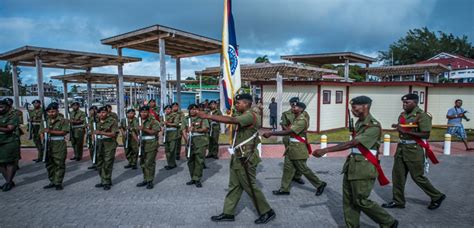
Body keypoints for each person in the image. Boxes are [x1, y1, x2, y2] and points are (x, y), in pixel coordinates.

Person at [313, 96, 398, 228]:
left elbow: (354, 143)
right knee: (348, 200)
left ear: (365, 106)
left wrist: (326, 150)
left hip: (364, 167)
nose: (352, 110)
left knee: (361, 200)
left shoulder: (374, 126)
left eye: (354, 107)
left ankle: (388, 221)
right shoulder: (359, 123)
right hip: (352, 165)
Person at [197, 93, 275, 224]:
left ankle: (267, 211)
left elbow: (233, 120)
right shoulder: (244, 114)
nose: (237, 105)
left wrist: (208, 116)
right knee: (234, 186)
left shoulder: (250, 115)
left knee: (250, 186)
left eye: (238, 103)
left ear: (246, 103)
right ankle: (228, 213)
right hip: (238, 156)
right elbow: (233, 117)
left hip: (246, 157)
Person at [382, 93, 446, 210]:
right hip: (401, 149)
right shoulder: (402, 114)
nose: (404, 104)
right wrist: (398, 126)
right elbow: (403, 128)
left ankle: (437, 196)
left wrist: (406, 131)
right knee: (398, 176)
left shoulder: (422, 115)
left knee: (417, 177)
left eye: (407, 102)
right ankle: (398, 201)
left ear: (415, 103)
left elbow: (426, 134)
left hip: (414, 150)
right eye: (403, 102)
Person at [263, 101, 327, 196]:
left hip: (298, 148)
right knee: (287, 168)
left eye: (295, 107)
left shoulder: (301, 120)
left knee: (303, 169)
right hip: (291, 147)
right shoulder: (297, 119)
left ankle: (319, 184)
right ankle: (284, 189)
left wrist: (271, 133)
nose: (293, 108)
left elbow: (289, 132)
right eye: (292, 106)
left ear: (301, 109)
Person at [40, 102, 70, 191]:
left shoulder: (63, 120)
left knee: (59, 163)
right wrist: (43, 141)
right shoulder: (45, 121)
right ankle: (52, 181)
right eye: (49, 112)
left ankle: (58, 182)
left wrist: (50, 131)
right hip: (48, 144)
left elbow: (64, 132)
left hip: (58, 144)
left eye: (53, 111)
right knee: (49, 164)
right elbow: (41, 132)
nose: (51, 113)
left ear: (57, 111)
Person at [280, 97, 306, 185]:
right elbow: (283, 125)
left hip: (301, 138)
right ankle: (289, 177)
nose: (295, 105)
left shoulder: (304, 114)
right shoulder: (285, 114)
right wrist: (291, 131)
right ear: (290, 104)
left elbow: (306, 125)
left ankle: (297, 176)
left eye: (297, 104)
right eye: (293, 104)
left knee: (301, 158)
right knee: (290, 158)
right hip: (288, 137)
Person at [184, 104, 209, 188]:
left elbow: (205, 128)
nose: (193, 111)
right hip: (190, 142)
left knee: (199, 161)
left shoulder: (202, 118)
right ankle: (193, 178)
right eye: (191, 109)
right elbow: (183, 130)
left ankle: (197, 178)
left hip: (200, 141)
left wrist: (195, 129)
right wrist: (186, 140)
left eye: (195, 109)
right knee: (190, 160)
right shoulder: (186, 119)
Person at [94, 106, 119, 190]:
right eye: (100, 112)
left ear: (107, 113)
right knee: (99, 163)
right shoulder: (95, 122)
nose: (101, 114)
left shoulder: (112, 121)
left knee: (107, 163)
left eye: (104, 112)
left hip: (109, 143)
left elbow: (114, 134)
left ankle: (106, 181)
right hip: (98, 143)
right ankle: (103, 179)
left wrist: (101, 132)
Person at [136, 106, 161, 189]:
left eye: (145, 112)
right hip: (141, 144)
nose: (143, 114)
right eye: (142, 112)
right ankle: (145, 179)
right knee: (142, 163)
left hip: (151, 144)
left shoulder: (153, 121)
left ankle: (150, 180)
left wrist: (144, 129)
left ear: (148, 112)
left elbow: (155, 132)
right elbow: (133, 131)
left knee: (149, 163)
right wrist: (137, 140)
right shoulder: (137, 121)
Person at [0, 99, 20, 191]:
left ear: (7, 107)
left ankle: (8, 182)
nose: (0, 109)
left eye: (1, 107)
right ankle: (8, 181)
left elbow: (9, 129)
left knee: (9, 162)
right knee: (1, 163)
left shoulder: (12, 115)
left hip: (9, 141)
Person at [163, 105, 179, 170]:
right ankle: (171, 163)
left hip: (173, 134)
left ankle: (171, 164)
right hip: (166, 134)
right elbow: (161, 123)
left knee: (172, 150)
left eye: (169, 109)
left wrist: (168, 123)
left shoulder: (175, 115)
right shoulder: (164, 116)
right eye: (166, 109)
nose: (167, 110)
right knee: (167, 150)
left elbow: (176, 123)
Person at [87, 106, 98, 170]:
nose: (92, 112)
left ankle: (97, 163)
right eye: (91, 110)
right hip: (90, 136)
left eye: (94, 110)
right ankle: (94, 162)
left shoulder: (97, 118)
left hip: (94, 136)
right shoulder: (89, 118)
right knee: (91, 150)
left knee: (96, 150)